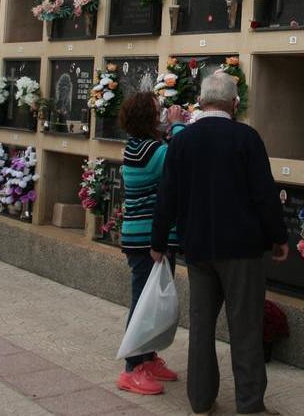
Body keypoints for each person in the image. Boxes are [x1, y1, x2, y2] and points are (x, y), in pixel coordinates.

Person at [152, 72, 288, 415]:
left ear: (200, 102)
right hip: (242, 250)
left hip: (198, 249)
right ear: (235, 103)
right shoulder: (246, 138)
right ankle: (250, 404)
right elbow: (264, 195)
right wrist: (278, 237)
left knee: (201, 327)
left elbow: (167, 195)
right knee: (245, 328)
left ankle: (200, 399)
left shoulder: (182, 141)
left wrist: (158, 242)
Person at [115, 93, 187, 396]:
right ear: (148, 118)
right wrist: (178, 125)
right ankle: (132, 369)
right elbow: (182, 158)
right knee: (144, 304)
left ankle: (149, 357)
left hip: (148, 238)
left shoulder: (137, 147)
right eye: (158, 112)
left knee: (153, 301)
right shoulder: (152, 151)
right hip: (147, 242)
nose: (162, 116)